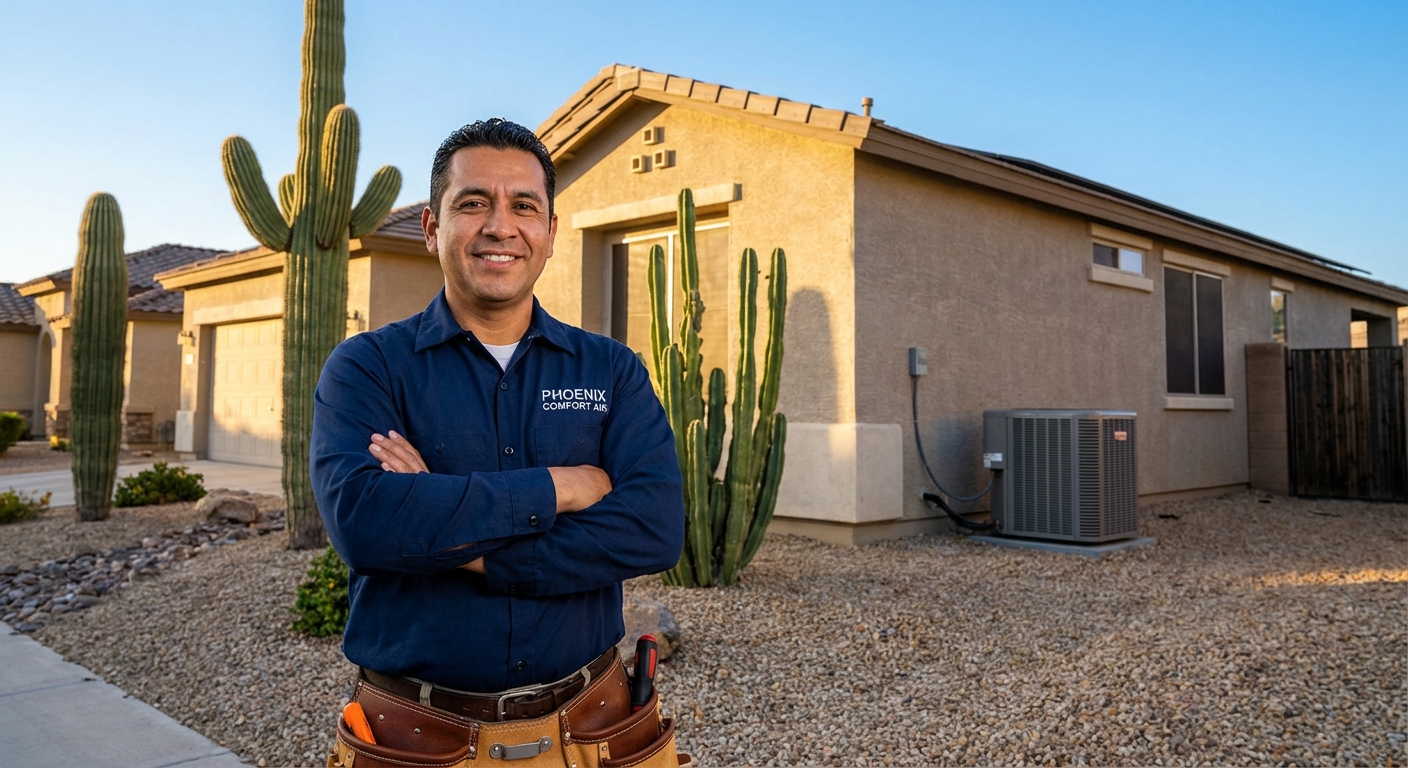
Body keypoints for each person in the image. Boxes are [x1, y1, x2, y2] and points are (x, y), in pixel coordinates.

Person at [310, 118, 685, 765]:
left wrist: (444, 529)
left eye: (524, 206)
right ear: (432, 227)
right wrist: (562, 487)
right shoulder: (368, 368)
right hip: (417, 739)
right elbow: (365, 524)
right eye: (473, 202)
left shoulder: (610, 369)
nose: (499, 225)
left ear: (549, 234)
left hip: (593, 730)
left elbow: (653, 527)